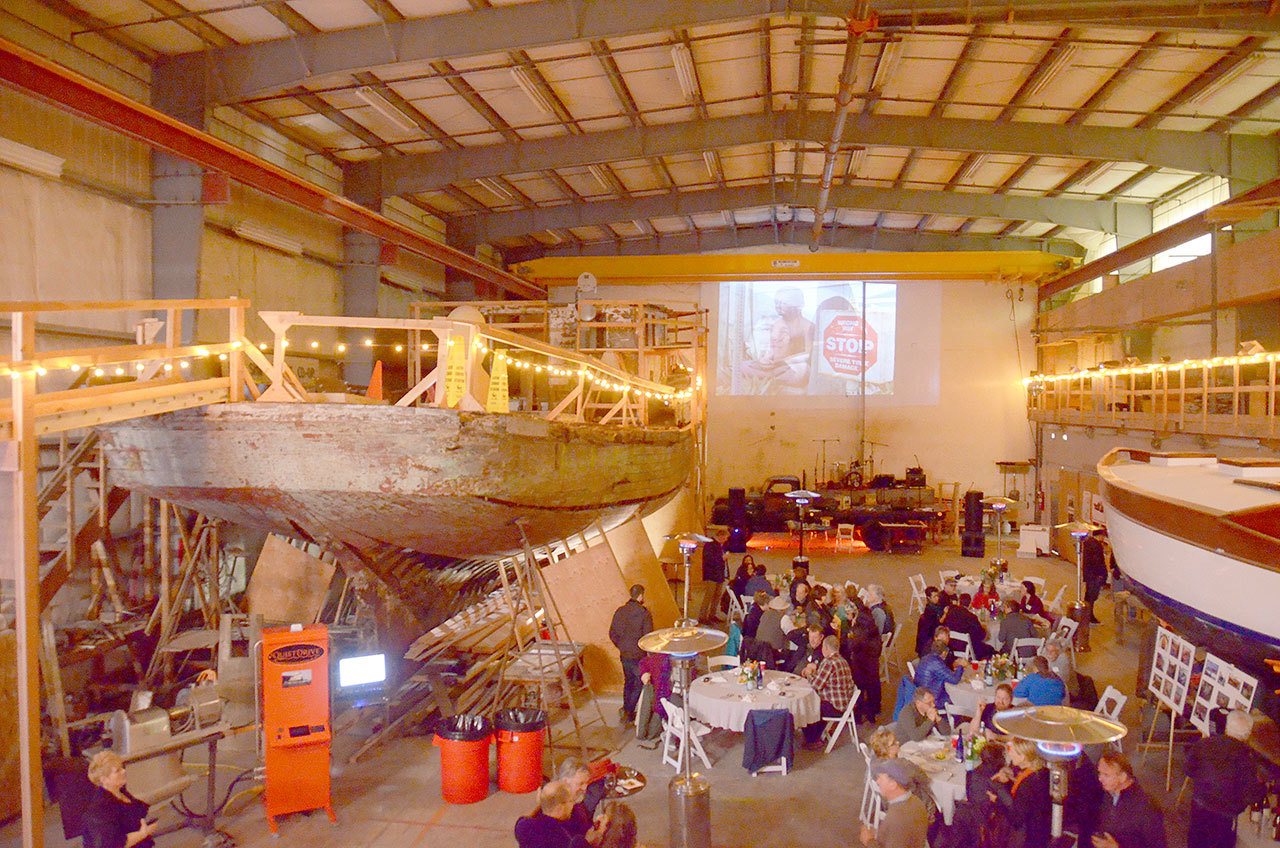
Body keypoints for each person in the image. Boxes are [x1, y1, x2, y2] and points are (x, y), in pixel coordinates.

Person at [1185, 710, 1265, 848]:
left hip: (1199, 806)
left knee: (1196, 841)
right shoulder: (1246, 758)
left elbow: (1188, 769)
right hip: (1224, 816)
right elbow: (1250, 794)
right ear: (1248, 734)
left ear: (1227, 727)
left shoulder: (1205, 743)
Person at [739, 287, 816, 391]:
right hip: (775, 368)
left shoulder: (808, 326)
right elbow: (771, 349)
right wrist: (765, 360)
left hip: (793, 367)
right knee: (742, 366)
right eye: (776, 302)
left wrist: (786, 362)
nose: (778, 306)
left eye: (783, 303)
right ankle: (771, 376)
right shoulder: (777, 324)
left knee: (804, 371)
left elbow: (809, 355)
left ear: (798, 305)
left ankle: (771, 377)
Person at [868, 726, 942, 830]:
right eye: (894, 743)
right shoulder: (904, 765)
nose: (898, 743)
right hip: (914, 809)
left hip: (890, 806)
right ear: (886, 749)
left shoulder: (874, 764)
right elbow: (925, 779)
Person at [81, 751, 156, 848]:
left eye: (122, 768)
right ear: (104, 779)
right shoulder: (100, 808)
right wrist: (142, 833)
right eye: (117, 771)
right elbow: (112, 844)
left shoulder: (121, 793)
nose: (124, 771)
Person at [1092, 752, 1167, 848]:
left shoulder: (1147, 808)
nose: (1100, 778)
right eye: (1099, 773)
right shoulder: (1109, 793)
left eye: (1106, 775)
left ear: (1123, 777)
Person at [988, 737, 1052, 848]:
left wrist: (997, 801)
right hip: (1043, 830)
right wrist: (1010, 780)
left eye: (1012, 750)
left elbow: (1016, 819)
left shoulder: (1026, 786)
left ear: (1023, 757)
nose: (1009, 753)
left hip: (1029, 838)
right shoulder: (1042, 771)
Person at [858, 760, 930, 848]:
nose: (877, 781)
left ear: (893, 784)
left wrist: (869, 841)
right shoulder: (915, 801)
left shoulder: (897, 818)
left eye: (880, 777)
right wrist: (881, 833)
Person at [608, 584, 652, 724]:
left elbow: (612, 633)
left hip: (625, 654)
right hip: (639, 656)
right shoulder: (644, 613)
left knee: (628, 682)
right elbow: (648, 637)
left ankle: (626, 709)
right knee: (639, 684)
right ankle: (629, 711)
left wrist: (621, 646)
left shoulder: (620, 611)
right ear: (641, 596)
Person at [801, 635, 856, 748]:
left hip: (835, 706)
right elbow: (824, 679)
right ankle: (817, 734)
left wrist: (809, 674)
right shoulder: (842, 660)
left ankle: (813, 739)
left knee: (806, 706)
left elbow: (816, 685)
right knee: (815, 703)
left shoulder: (829, 662)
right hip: (845, 703)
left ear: (826, 648)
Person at [515, 781, 598, 848]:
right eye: (571, 801)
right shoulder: (563, 838)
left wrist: (545, 801)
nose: (573, 804)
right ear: (560, 808)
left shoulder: (523, 826)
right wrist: (588, 841)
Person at [845, 595, 883, 723]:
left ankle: (858, 717)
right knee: (872, 687)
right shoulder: (870, 622)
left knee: (859, 688)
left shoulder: (858, 628)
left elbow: (853, 645)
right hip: (872, 661)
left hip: (861, 663)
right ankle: (872, 713)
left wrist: (851, 630)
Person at [634, 651, 672, 748]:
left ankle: (644, 733)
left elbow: (643, 662)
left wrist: (644, 673)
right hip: (666, 699)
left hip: (658, 698)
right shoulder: (669, 659)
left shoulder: (652, 660)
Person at [941, 593, 995, 659]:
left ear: (959, 602)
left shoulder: (950, 612)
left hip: (951, 645)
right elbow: (981, 636)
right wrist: (984, 628)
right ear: (970, 604)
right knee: (991, 650)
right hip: (966, 647)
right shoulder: (972, 617)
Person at [913, 638, 965, 708]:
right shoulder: (937, 663)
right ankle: (956, 717)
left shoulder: (925, 658)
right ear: (944, 653)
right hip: (933, 699)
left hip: (922, 693)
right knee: (958, 699)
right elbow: (955, 680)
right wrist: (961, 666)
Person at [697, 528, 728, 623]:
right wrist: (722, 558)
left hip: (719, 575)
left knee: (717, 596)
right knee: (709, 596)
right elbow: (709, 560)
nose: (726, 540)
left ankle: (712, 615)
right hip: (711, 575)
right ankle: (702, 616)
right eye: (725, 537)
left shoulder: (719, 545)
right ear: (721, 536)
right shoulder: (710, 544)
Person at [1080, 529, 1108, 624]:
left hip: (1089, 575)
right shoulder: (1096, 545)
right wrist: (1100, 575)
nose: (1103, 538)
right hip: (1094, 576)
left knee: (1088, 596)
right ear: (1099, 535)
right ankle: (1089, 617)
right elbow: (1097, 562)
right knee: (1092, 597)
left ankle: (1086, 615)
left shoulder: (1088, 543)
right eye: (1103, 536)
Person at [914, 586, 944, 656]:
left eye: (937, 596)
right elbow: (936, 627)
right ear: (929, 598)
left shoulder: (935, 607)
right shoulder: (930, 612)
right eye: (934, 596)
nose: (937, 598)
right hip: (928, 643)